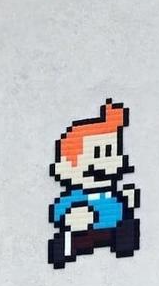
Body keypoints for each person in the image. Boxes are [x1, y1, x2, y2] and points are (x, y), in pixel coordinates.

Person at [48, 99, 140, 269]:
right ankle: (66, 249)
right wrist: (70, 216)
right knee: (67, 236)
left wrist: (129, 200)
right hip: (80, 231)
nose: (104, 164)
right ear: (68, 165)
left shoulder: (110, 195)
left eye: (110, 153)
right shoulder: (74, 197)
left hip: (112, 228)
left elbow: (122, 206)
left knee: (127, 226)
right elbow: (58, 212)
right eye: (98, 154)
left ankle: (124, 244)